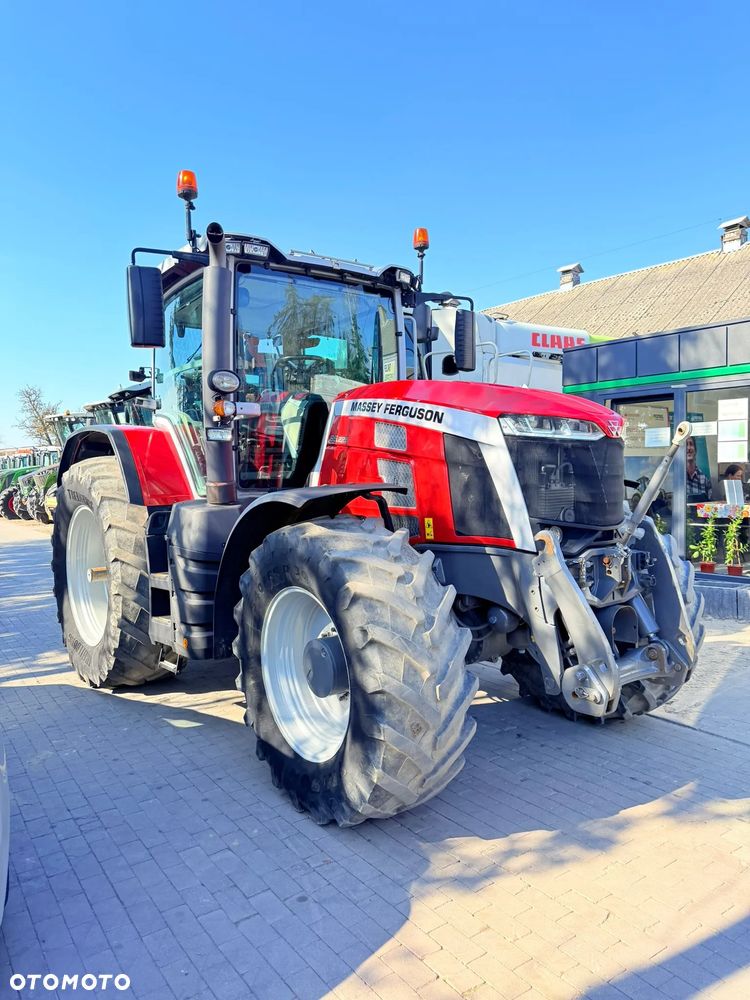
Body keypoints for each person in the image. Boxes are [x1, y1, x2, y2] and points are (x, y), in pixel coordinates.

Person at [685, 436, 712, 502]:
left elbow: (710, 504)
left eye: (691, 444)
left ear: (695, 450)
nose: (688, 448)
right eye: (685, 445)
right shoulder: (677, 478)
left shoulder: (704, 478)